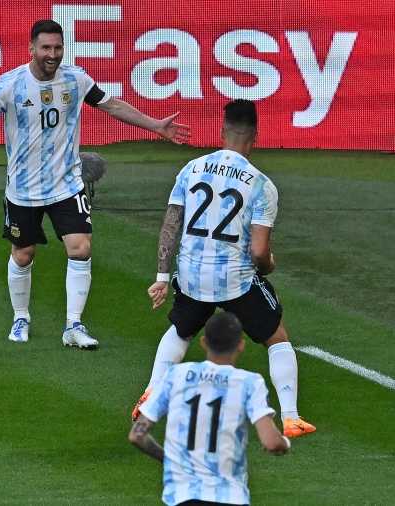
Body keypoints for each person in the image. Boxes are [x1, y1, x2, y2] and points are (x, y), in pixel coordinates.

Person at [0, 20, 190, 349]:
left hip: (67, 184)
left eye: (57, 47)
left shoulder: (76, 79)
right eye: (46, 48)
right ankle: (20, 317)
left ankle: (73, 325)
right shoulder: (10, 85)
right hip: (23, 189)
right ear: (32, 49)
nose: (52, 54)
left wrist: (155, 125)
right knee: (23, 254)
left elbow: (112, 105)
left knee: (81, 247)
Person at [131, 99, 315, 438]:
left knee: (181, 330)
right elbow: (259, 251)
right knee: (277, 337)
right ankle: (291, 418)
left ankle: (152, 391)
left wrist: (162, 276)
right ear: (255, 136)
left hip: (191, 274)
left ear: (221, 131)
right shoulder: (261, 185)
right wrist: (269, 265)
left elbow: (171, 224)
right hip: (234, 279)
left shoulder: (192, 168)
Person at [129, 312, 290, 506]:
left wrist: (168, 460)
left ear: (204, 342)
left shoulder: (176, 375)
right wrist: (284, 443)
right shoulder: (249, 383)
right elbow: (272, 443)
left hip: (182, 496)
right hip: (230, 497)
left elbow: (137, 435)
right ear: (241, 345)